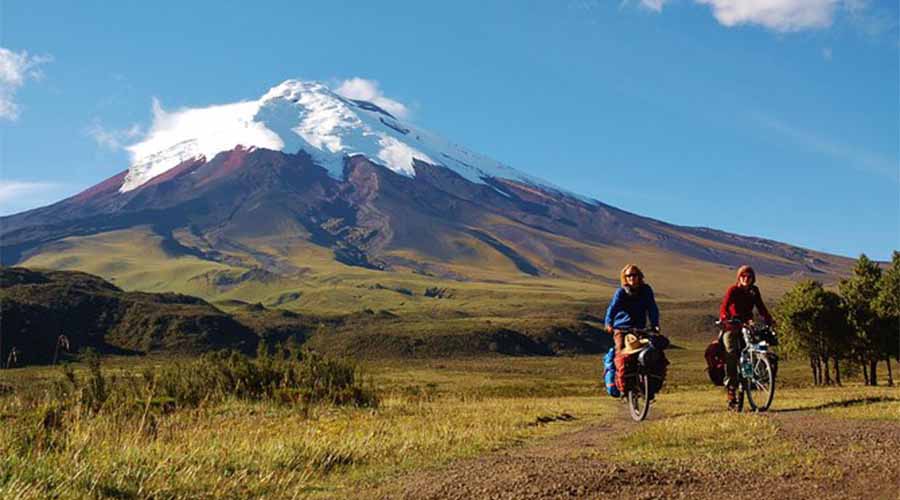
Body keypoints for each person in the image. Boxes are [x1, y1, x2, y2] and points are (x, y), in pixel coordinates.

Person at [718, 265, 774, 409]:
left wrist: (769, 319)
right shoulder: (733, 290)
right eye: (743, 276)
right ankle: (731, 390)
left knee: (754, 349)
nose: (746, 279)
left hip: (747, 326)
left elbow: (761, 307)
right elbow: (724, 306)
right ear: (739, 277)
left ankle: (751, 381)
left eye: (749, 276)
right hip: (732, 326)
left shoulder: (754, 291)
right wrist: (725, 317)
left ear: (753, 278)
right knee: (731, 353)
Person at [604, 264, 663, 394]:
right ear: (624, 278)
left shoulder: (646, 290)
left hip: (640, 328)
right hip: (622, 328)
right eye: (628, 276)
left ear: (639, 276)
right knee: (621, 354)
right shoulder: (621, 292)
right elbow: (612, 308)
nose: (632, 278)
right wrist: (609, 323)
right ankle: (622, 385)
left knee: (651, 352)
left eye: (634, 275)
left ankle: (648, 386)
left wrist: (655, 324)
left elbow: (652, 308)